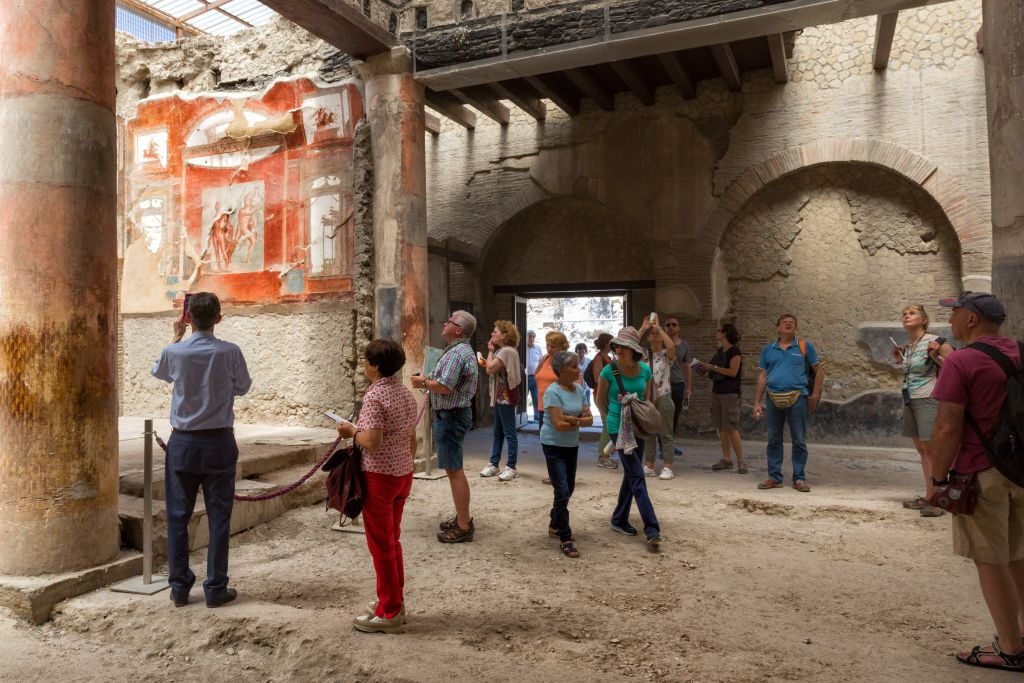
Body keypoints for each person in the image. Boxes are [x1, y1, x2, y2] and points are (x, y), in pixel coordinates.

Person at [928, 291, 1024, 672]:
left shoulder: (962, 362)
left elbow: (948, 426)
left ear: (971, 319)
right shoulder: (1021, 351)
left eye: (955, 314)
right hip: (1021, 469)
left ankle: (1011, 649)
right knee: (1018, 554)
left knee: (989, 559)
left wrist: (937, 479)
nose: (950, 321)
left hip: (981, 471)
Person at [151, 292, 252, 608]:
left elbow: (159, 372)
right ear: (219, 319)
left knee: (178, 515)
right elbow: (243, 387)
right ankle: (215, 588)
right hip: (219, 441)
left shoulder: (174, 352)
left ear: (187, 318)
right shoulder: (230, 352)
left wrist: (177, 336)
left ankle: (180, 587)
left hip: (183, 443)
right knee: (219, 515)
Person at [335, 339, 419, 634]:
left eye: (366, 360)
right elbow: (412, 439)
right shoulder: (405, 394)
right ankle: (392, 599)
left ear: (375, 366)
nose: (363, 365)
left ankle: (391, 611)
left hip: (379, 477)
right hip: (402, 474)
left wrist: (350, 431)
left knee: (381, 545)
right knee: (391, 540)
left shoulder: (375, 397)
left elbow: (371, 441)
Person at [411, 310, 478, 543]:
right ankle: (462, 517)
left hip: (451, 416)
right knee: (453, 470)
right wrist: (428, 380)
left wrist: (423, 381)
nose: (444, 322)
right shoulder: (458, 350)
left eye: (449, 321)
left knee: (454, 471)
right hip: (453, 415)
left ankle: (463, 526)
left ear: (458, 329)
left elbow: (444, 387)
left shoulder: (457, 354)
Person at [596, 327, 662, 549]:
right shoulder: (609, 371)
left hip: (638, 426)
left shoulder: (645, 370)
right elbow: (600, 400)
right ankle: (652, 528)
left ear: (633, 349)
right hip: (618, 426)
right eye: (617, 346)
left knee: (631, 476)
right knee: (637, 475)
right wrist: (611, 420)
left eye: (623, 346)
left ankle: (618, 519)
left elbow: (648, 397)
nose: (618, 349)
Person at [752, 314, 824, 492]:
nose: (789, 324)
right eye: (785, 322)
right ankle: (774, 477)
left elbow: (819, 370)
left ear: (796, 328)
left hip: (798, 397)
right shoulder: (768, 349)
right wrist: (756, 402)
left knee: (799, 440)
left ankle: (799, 478)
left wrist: (814, 394)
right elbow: (762, 375)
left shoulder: (804, 346)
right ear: (778, 327)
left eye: (792, 323)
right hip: (773, 397)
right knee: (773, 439)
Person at [895, 305, 954, 518]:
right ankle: (930, 496)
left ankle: (940, 499)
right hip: (911, 400)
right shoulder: (910, 346)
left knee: (933, 450)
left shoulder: (936, 341)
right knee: (922, 449)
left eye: (911, 313)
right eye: (904, 314)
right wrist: (903, 358)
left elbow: (955, 368)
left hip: (929, 398)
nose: (906, 316)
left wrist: (936, 356)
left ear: (924, 320)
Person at [541, 351, 593, 558]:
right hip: (553, 444)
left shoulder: (580, 389)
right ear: (561, 370)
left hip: (571, 445)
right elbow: (558, 424)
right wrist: (576, 420)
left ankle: (555, 522)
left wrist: (572, 419)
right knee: (561, 490)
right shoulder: (552, 392)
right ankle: (565, 537)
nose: (578, 369)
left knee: (568, 487)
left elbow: (589, 420)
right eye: (573, 366)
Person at [701, 323, 747, 474]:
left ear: (726, 334)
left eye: (719, 330)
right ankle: (726, 459)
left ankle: (741, 462)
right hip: (717, 392)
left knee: (731, 427)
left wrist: (712, 367)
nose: (717, 332)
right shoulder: (720, 351)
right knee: (721, 427)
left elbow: (733, 372)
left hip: (729, 393)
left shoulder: (735, 351)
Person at [481, 320, 522, 481]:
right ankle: (494, 463)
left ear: (504, 335)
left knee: (509, 433)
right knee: (498, 432)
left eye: (495, 332)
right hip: (500, 397)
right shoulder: (505, 351)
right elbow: (493, 368)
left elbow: (490, 369)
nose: (492, 334)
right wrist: (491, 356)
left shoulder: (505, 351)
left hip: (505, 397)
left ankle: (511, 466)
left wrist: (490, 351)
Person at [639, 316, 678, 479]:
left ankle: (668, 467)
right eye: (652, 333)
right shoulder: (643, 355)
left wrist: (660, 328)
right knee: (648, 432)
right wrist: (643, 328)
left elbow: (671, 346)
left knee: (666, 433)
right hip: (647, 397)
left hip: (664, 395)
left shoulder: (665, 355)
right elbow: (630, 345)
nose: (654, 335)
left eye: (657, 333)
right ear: (648, 337)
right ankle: (649, 465)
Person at [665, 317, 691, 456]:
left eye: (674, 324)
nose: (671, 327)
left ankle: (670, 445)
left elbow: (687, 366)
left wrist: (688, 387)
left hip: (678, 384)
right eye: (668, 325)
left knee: (675, 416)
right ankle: (663, 446)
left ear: (678, 327)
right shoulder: (662, 343)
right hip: (663, 385)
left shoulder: (684, 345)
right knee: (663, 416)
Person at [591, 332, 617, 469]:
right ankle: (603, 457)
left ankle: (606, 455)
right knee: (608, 425)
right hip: (601, 396)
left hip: (608, 396)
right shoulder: (599, 359)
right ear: (607, 344)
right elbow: (597, 379)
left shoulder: (607, 357)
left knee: (610, 425)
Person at [525, 330, 543, 422]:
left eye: (533, 336)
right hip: (525, 377)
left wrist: (539, 373)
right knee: (524, 398)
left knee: (536, 397)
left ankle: (536, 416)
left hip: (535, 377)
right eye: (529, 336)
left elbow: (541, 362)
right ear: (526, 337)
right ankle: (524, 417)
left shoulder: (538, 348)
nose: (531, 338)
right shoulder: (522, 348)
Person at [575, 342, 592, 407]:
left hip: (586, 387)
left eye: (582, 350)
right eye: (579, 350)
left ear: (585, 351)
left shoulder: (589, 361)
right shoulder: (573, 361)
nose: (580, 352)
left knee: (587, 405)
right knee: (577, 405)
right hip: (576, 387)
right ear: (576, 351)